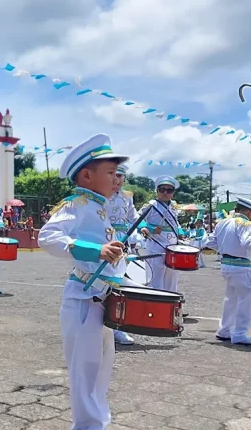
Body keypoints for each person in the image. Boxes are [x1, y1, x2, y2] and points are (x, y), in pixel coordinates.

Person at [38, 133, 141, 430]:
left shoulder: (100, 207)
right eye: (110, 173)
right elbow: (49, 238)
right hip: (83, 298)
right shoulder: (77, 205)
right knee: (85, 369)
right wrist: (97, 251)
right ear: (87, 175)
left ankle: (97, 421)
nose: (117, 179)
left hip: (102, 296)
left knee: (101, 366)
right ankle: (87, 425)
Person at [215, 197, 251, 345]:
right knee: (246, 298)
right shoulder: (246, 224)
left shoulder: (223, 222)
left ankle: (225, 330)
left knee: (231, 299)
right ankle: (240, 333)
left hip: (226, 264)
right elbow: (249, 244)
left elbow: (211, 242)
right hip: (240, 267)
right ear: (250, 212)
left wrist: (228, 248)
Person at [106, 163, 136, 345]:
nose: (116, 180)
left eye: (120, 176)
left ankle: (118, 327)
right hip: (105, 243)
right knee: (103, 287)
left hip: (124, 246)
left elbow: (133, 219)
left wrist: (142, 231)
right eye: (113, 175)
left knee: (119, 287)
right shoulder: (99, 196)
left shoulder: (127, 197)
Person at [139, 176, 185, 293]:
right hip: (156, 244)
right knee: (156, 275)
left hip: (172, 245)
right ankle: (155, 303)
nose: (165, 192)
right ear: (157, 191)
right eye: (162, 189)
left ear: (173, 193)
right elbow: (138, 219)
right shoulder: (151, 205)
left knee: (172, 275)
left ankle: (170, 302)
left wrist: (180, 232)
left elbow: (176, 223)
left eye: (169, 190)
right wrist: (149, 228)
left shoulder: (174, 206)